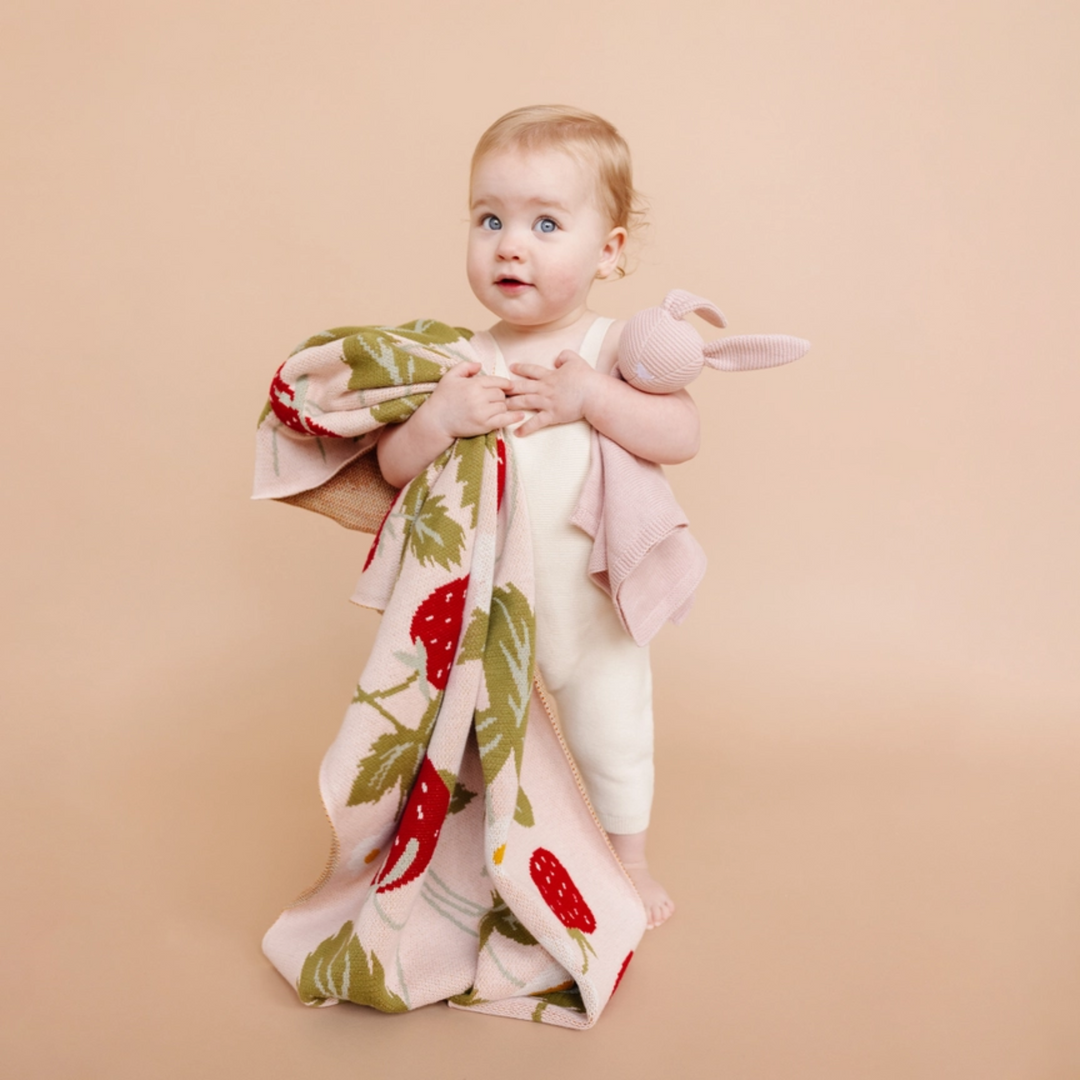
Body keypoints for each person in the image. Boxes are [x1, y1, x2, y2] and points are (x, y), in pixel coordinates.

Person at [376, 105, 699, 929]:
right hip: (489, 616)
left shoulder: (611, 350)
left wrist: (591, 398)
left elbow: (682, 433)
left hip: (589, 610)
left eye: (546, 223)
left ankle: (628, 857)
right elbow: (392, 470)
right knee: (479, 748)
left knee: (612, 730)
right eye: (490, 220)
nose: (509, 245)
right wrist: (438, 420)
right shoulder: (463, 363)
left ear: (610, 251)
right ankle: (486, 861)